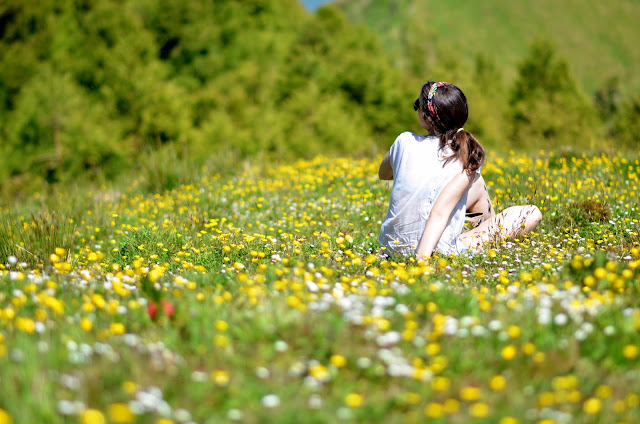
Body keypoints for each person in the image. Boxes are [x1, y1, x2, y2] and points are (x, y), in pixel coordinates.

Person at [378, 81, 541, 258]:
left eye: (417, 105)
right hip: (434, 252)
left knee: (477, 184)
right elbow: (438, 212)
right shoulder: (465, 156)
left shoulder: (403, 141)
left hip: (392, 247)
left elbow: (384, 174)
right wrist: (422, 261)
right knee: (531, 212)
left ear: (426, 117)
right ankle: (487, 230)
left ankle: (475, 227)